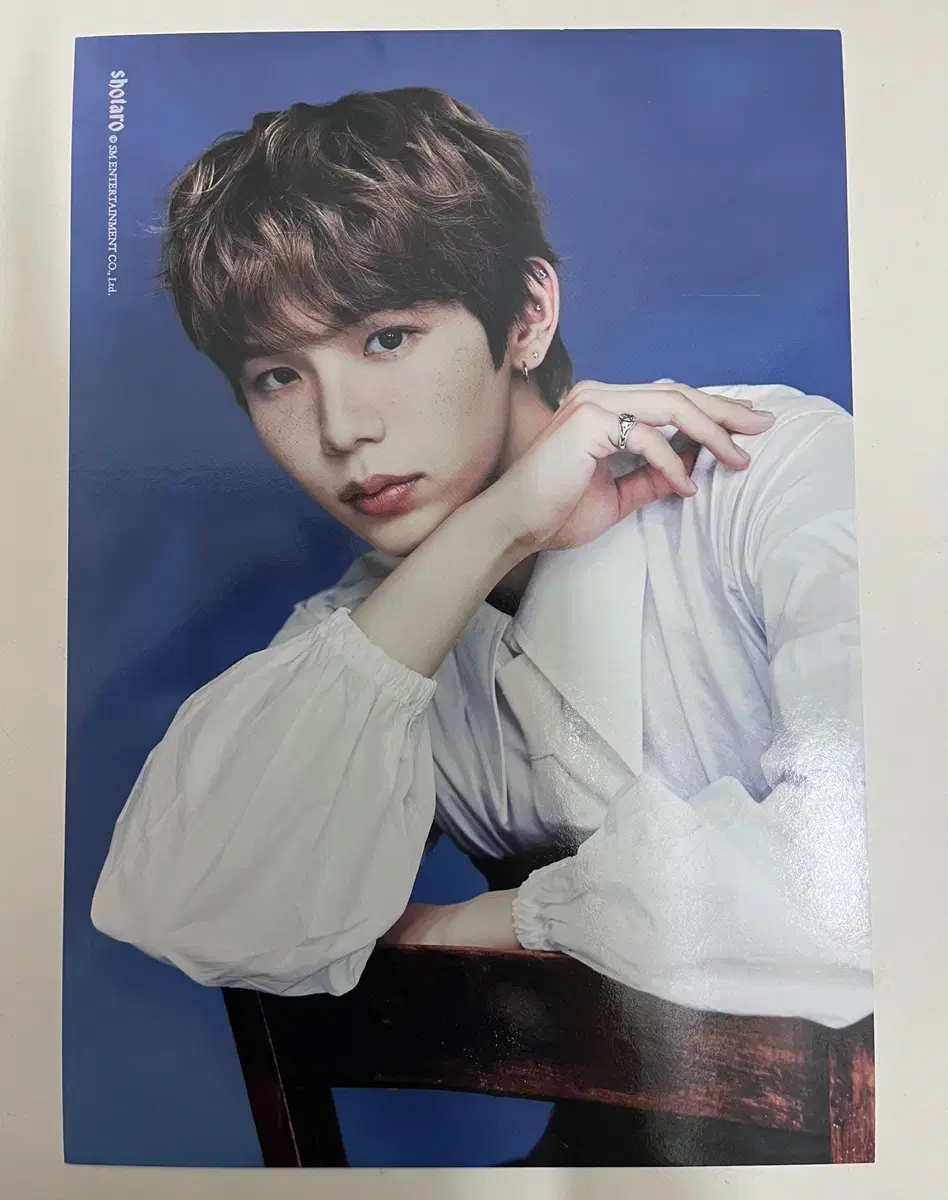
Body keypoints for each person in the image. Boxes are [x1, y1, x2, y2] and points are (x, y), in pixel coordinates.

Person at [91, 87, 871, 1054]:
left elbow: (877, 874)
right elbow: (189, 911)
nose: (341, 429)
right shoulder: (372, 638)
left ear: (528, 316)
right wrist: (497, 528)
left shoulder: (772, 471)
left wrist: (498, 922)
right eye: (278, 376)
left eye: (386, 338)